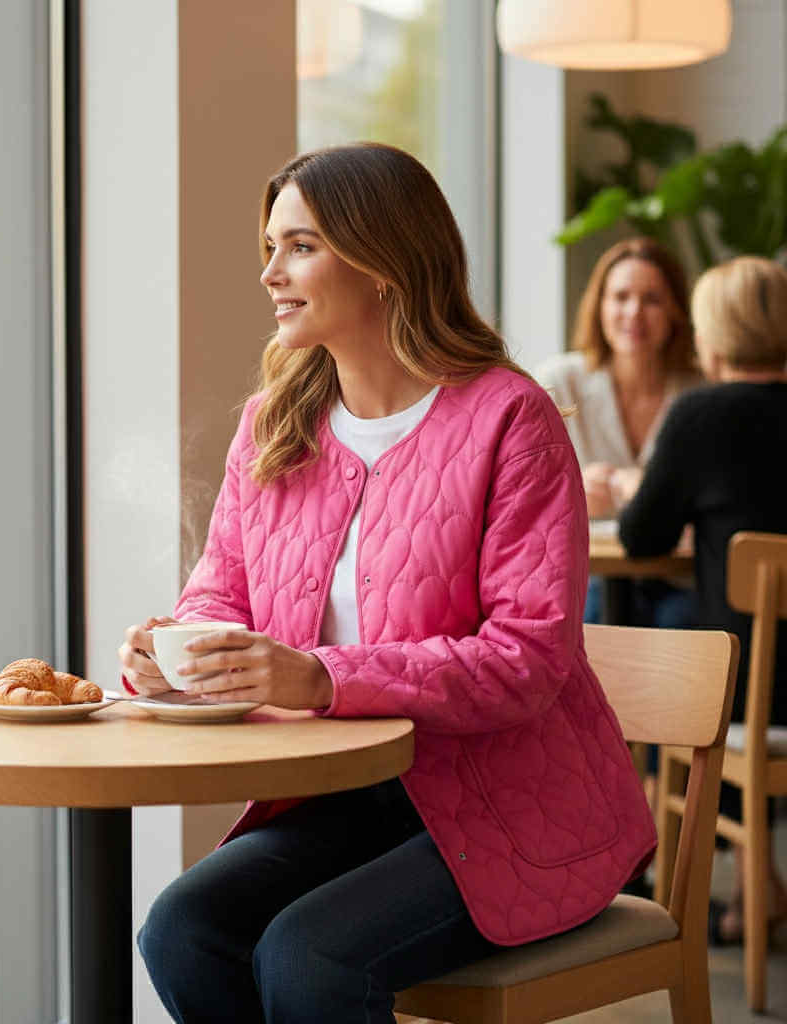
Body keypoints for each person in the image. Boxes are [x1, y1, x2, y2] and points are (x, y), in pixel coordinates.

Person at [119, 143, 657, 1024]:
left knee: (309, 957)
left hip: (516, 805)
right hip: (350, 795)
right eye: (270, 247)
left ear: (380, 259)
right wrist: (180, 653)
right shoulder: (273, 422)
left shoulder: (508, 419)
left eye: (300, 246)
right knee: (183, 930)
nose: (270, 273)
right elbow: (220, 593)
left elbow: (526, 657)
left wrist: (324, 677)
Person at [619, 255, 787, 945]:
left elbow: (639, 537)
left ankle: (735, 890)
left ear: (713, 337)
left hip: (749, 693)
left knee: (724, 655)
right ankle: (761, 889)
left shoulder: (701, 416)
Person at [535, 237, 702, 625]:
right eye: (621, 297)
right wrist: (571, 497)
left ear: (676, 310)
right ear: (599, 307)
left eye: (652, 300)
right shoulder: (560, 381)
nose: (634, 313)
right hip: (585, 575)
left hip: (678, 580)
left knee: (683, 629)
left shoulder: (701, 391)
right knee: (592, 616)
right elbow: (520, 496)